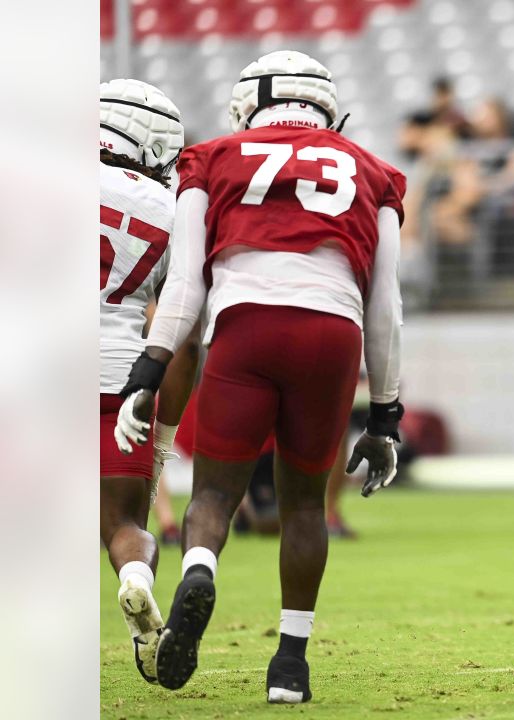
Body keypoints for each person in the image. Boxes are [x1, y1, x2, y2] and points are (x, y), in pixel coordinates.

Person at [113, 50, 407, 704]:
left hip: (243, 324)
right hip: (333, 331)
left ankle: (199, 569)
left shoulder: (211, 157)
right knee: (304, 504)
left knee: (215, 495)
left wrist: (152, 364)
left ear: (252, 102)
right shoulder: (376, 172)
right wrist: (386, 412)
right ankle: (290, 667)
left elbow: (186, 287)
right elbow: (386, 306)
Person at [99, 78, 199, 684]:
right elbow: (185, 333)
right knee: (124, 525)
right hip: (121, 372)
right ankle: (136, 578)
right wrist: (162, 436)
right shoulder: (171, 209)